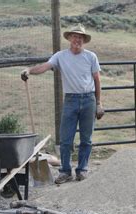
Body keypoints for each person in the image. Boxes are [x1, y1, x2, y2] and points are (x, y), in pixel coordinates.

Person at [21, 23, 104, 184]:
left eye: (80, 37)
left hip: (89, 100)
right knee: (66, 139)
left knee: (86, 139)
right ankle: (65, 171)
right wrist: (29, 70)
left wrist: (99, 103)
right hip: (71, 100)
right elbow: (45, 66)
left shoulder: (91, 57)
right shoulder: (60, 56)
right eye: (74, 36)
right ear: (70, 38)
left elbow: (97, 80)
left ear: (83, 40)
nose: (77, 40)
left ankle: (82, 170)